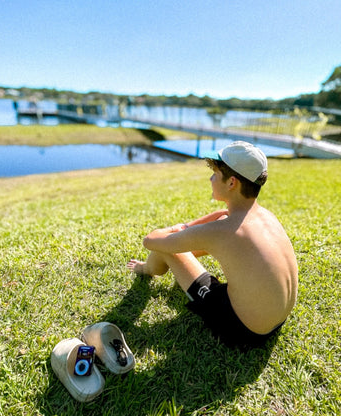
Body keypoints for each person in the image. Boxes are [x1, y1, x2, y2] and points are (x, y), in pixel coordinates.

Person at [127, 141, 298, 349]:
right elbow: (224, 237)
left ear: (232, 183)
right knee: (183, 241)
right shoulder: (266, 217)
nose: (211, 178)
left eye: (215, 174)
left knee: (167, 247)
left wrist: (183, 227)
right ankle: (170, 259)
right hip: (277, 319)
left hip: (245, 331)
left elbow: (151, 241)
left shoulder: (222, 231)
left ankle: (145, 269)